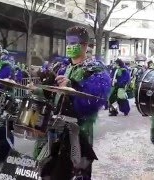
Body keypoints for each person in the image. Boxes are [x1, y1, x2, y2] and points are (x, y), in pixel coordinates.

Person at [31, 26, 111, 179]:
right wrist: (36, 90)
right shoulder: (62, 67)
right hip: (55, 128)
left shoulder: (96, 70)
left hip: (78, 130)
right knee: (49, 169)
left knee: (75, 172)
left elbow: (95, 99)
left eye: (74, 43)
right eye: (68, 43)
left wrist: (73, 85)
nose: (69, 46)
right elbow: (50, 92)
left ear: (85, 45)